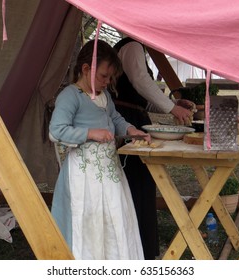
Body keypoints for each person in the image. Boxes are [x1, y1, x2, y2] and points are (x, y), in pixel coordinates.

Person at [49, 39, 150, 260]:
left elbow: (115, 117)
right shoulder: (70, 96)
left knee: (114, 216)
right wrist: (90, 133)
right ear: (86, 69)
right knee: (91, 219)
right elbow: (56, 131)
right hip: (84, 178)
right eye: (103, 76)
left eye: (110, 78)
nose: (107, 82)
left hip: (110, 173)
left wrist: (131, 129)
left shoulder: (104, 97)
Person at [111, 37, 195, 260]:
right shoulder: (132, 46)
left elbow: (142, 98)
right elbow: (140, 81)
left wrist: (173, 106)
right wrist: (172, 108)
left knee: (143, 182)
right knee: (135, 183)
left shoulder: (136, 48)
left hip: (133, 117)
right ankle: (136, 249)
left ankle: (143, 248)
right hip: (124, 120)